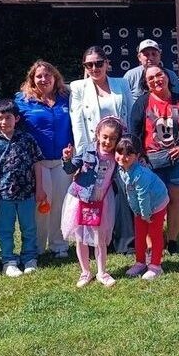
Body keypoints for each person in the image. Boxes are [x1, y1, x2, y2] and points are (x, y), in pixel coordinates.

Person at [70, 45, 134, 254]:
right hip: (94, 151)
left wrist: (129, 147)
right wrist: (81, 157)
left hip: (119, 148)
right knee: (93, 194)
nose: (95, 68)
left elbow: (130, 114)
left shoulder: (121, 83)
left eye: (99, 63)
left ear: (107, 63)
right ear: (85, 67)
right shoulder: (79, 87)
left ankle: (125, 241)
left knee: (123, 193)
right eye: (90, 64)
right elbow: (77, 123)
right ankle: (91, 241)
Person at [129, 65, 179, 256]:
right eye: (151, 78)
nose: (156, 80)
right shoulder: (141, 103)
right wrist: (140, 157)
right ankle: (151, 244)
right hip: (150, 162)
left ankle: (172, 241)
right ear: (146, 84)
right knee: (151, 203)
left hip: (177, 160)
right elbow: (134, 133)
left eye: (159, 75)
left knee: (175, 201)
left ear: (167, 76)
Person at [0, 99, 45, 277]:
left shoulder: (27, 139)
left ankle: (29, 258)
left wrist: (40, 188)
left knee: (29, 227)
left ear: (16, 118)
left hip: (27, 193)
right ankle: (8, 260)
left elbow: (37, 164)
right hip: (2, 195)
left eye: (8, 117)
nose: (4, 122)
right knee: (4, 229)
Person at [15, 60, 73, 259]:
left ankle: (59, 245)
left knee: (60, 203)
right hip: (37, 163)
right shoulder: (22, 100)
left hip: (62, 161)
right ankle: (37, 246)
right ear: (32, 79)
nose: (43, 79)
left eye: (47, 75)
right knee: (41, 204)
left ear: (55, 77)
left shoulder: (67, 97)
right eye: (38, 76)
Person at [61, 116, 124, 288]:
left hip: (102, 200)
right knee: (80, 237)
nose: (108, 141)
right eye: (105, 136)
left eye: (112, 138)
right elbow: (70, 169)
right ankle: (85, 272)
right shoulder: (87, 151)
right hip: (80, 198)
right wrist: (67, 159)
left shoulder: (116, 157)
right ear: (97, 134)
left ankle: (102, 272)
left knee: (100, 238)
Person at [116, 136, 169, 281]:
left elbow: (142, 196)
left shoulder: (141, 174)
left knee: (154, 234)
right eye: (119, 153)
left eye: (128, 154)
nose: (123, 157)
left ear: (137, 156)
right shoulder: (122, 169)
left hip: (156, 204)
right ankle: (140, 262)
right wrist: (137, 212)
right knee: (139, 234)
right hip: (141, 208)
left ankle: (155, 266)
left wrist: (145, 215)